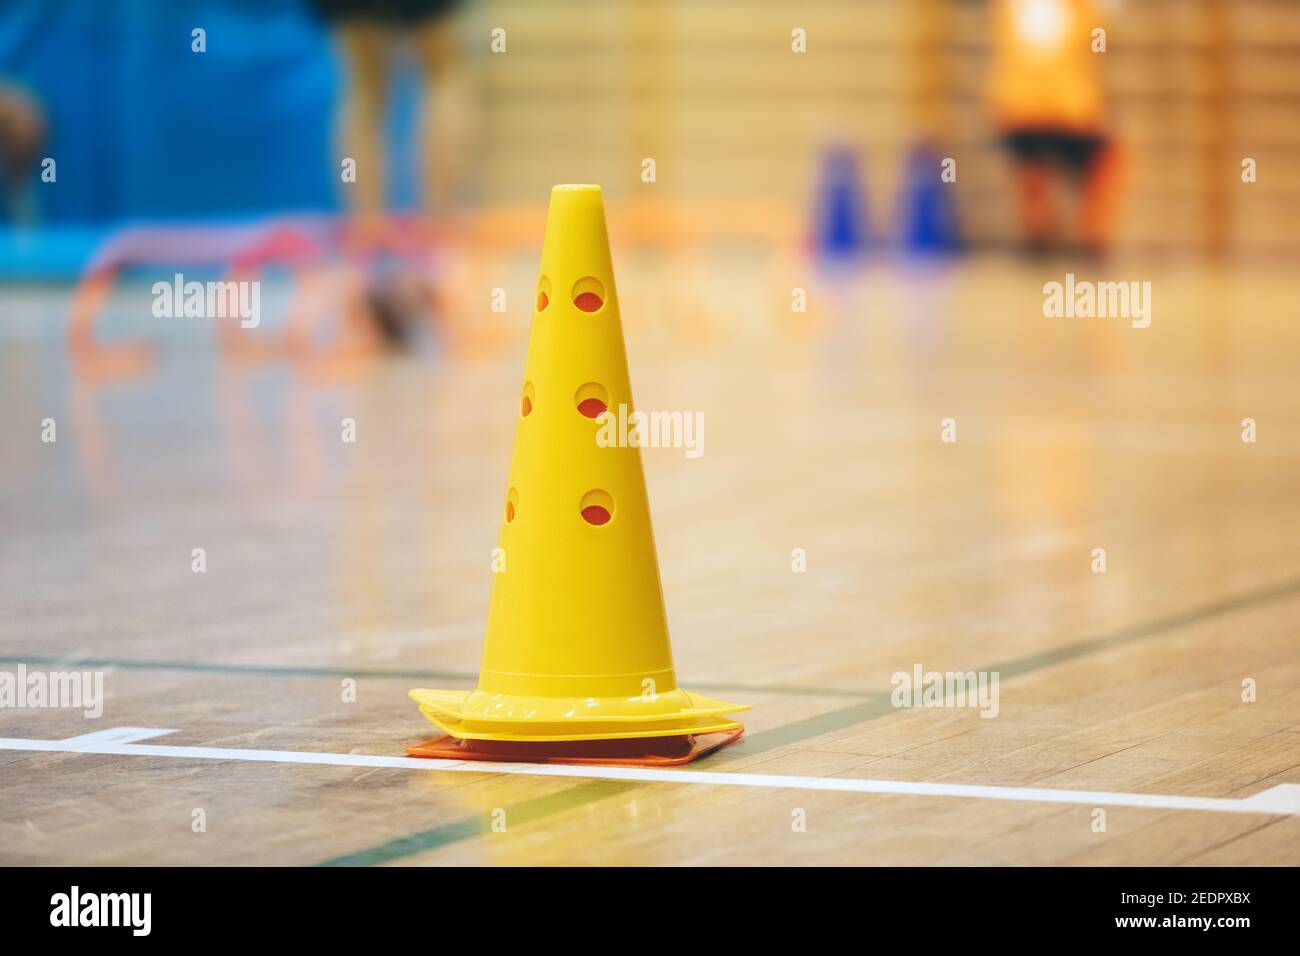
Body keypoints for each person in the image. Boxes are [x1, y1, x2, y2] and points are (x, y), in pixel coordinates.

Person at [987, 0, 1123, 256]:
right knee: (1110, 160)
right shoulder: (1078, 9)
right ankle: (1091, 237)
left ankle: (1041, 233)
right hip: (1063, 112)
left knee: (1032, 161)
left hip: (1017, 108)